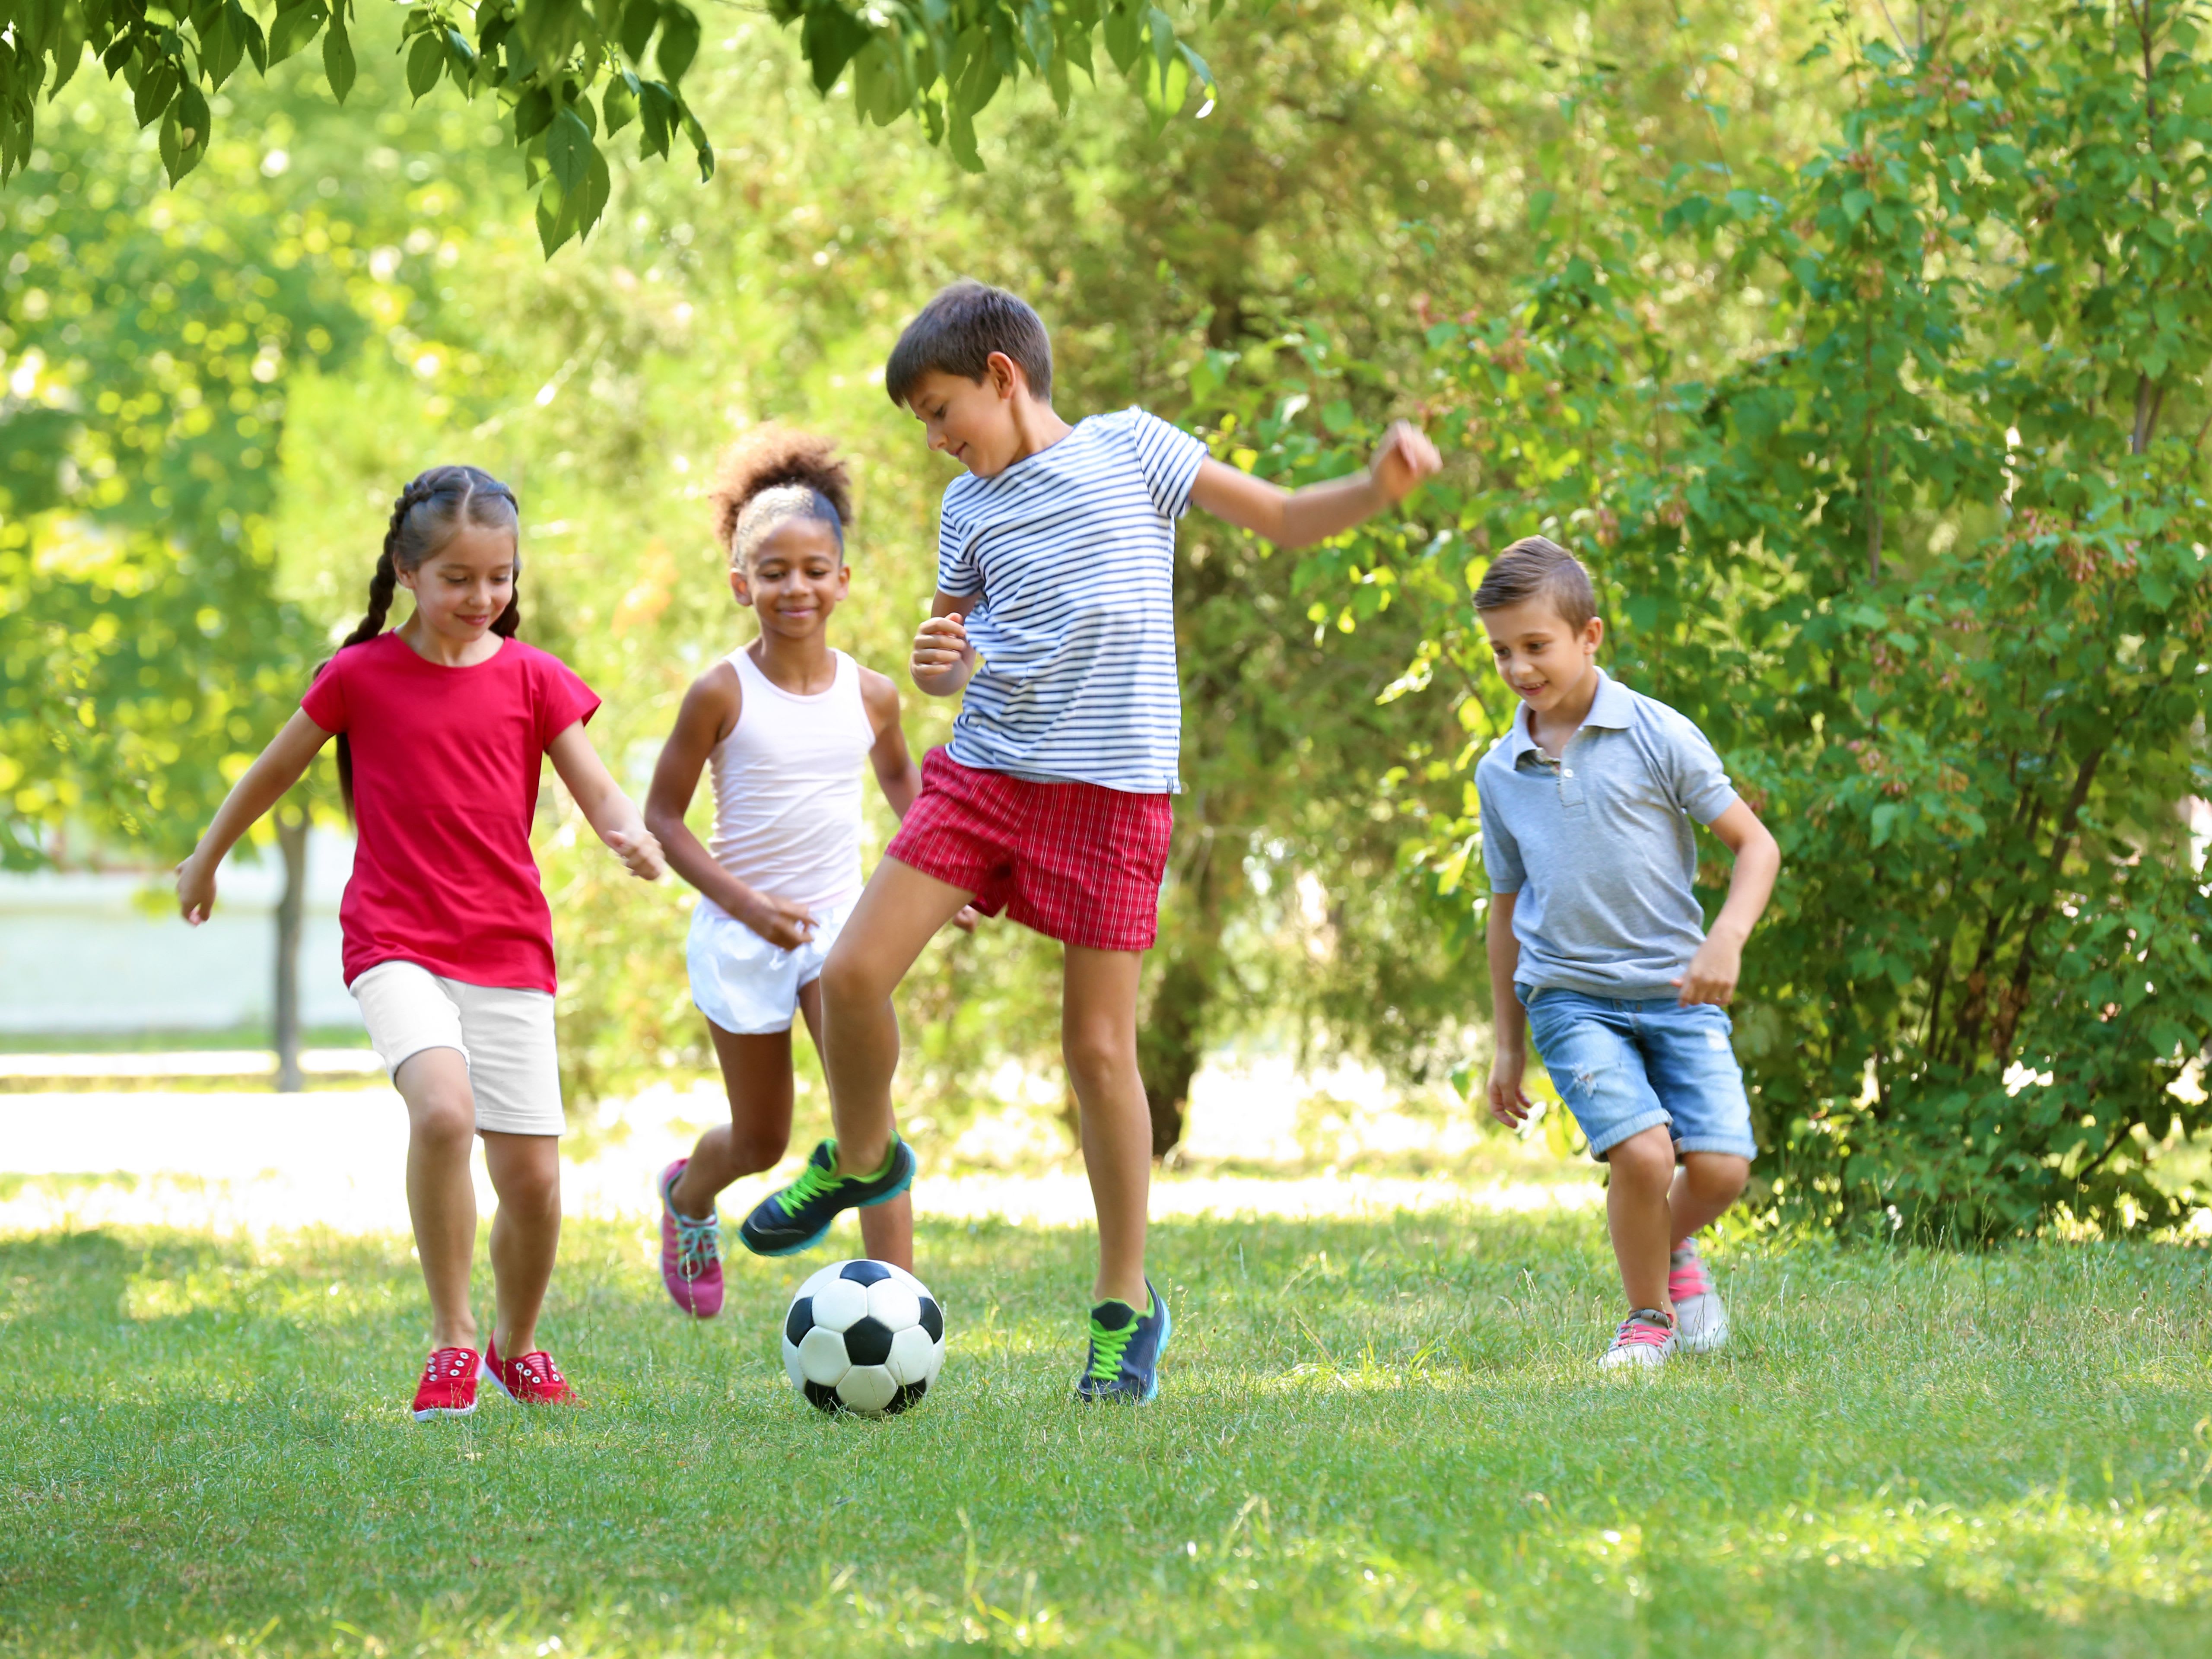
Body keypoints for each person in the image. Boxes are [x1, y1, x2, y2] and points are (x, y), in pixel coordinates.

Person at [734, 280, 1442, 1402]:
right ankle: (858, 1159)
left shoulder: (1133, 450)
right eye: (921, 420)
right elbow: (962, 648)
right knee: (856, 973)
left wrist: (1376, 486)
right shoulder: (968, 510)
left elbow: (1282, 517)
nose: (934, 439)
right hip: (986, 774)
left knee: (1098, 1053)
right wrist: (942, 669)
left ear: (1003, 378)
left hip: (1113, 794)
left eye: (939, 408)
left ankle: (1124, 1308)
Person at [174, 465, 665, 1420]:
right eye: (458, 580)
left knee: (532, 1182)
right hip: (395, 936)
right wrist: (206, 857)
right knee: (443, 1113)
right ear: (407, 571)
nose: (481, 599)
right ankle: (449, 1339)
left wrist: (626, 832)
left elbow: (595, 785)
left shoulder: (534, 678)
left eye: (500, 578)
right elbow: (271, 772)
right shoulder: (359, 676)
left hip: (508, 945)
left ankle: (514, 1346)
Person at [642, 427, 972, 1318]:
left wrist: (944, 871)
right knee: (762, 1139)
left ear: (843, 578)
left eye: (815, 569)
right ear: (741, 583)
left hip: (840, 930)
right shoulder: (719, 692)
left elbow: (904, 780)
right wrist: (747, 906)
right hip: (740, 930)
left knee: (869, 1124)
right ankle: (687, 1197)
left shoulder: (870, 694)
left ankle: (898, 1307)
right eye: (775, 571)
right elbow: (662, 821)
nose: (797, 588)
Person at [1475, 536, 1780, 1370]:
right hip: (1569, 995)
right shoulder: (1500, 771)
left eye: (1536, 646)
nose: (1518, 667)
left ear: (1590, 636)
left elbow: (1756, 847)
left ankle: (1669, 1251)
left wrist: (1726, 939)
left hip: (1679, 988)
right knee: (1644, 1154)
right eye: (1502, 650)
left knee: (1720, 1170)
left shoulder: (1657, 734)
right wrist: (1508, 1043)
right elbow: (1506, 910)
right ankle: (1647, 1317)